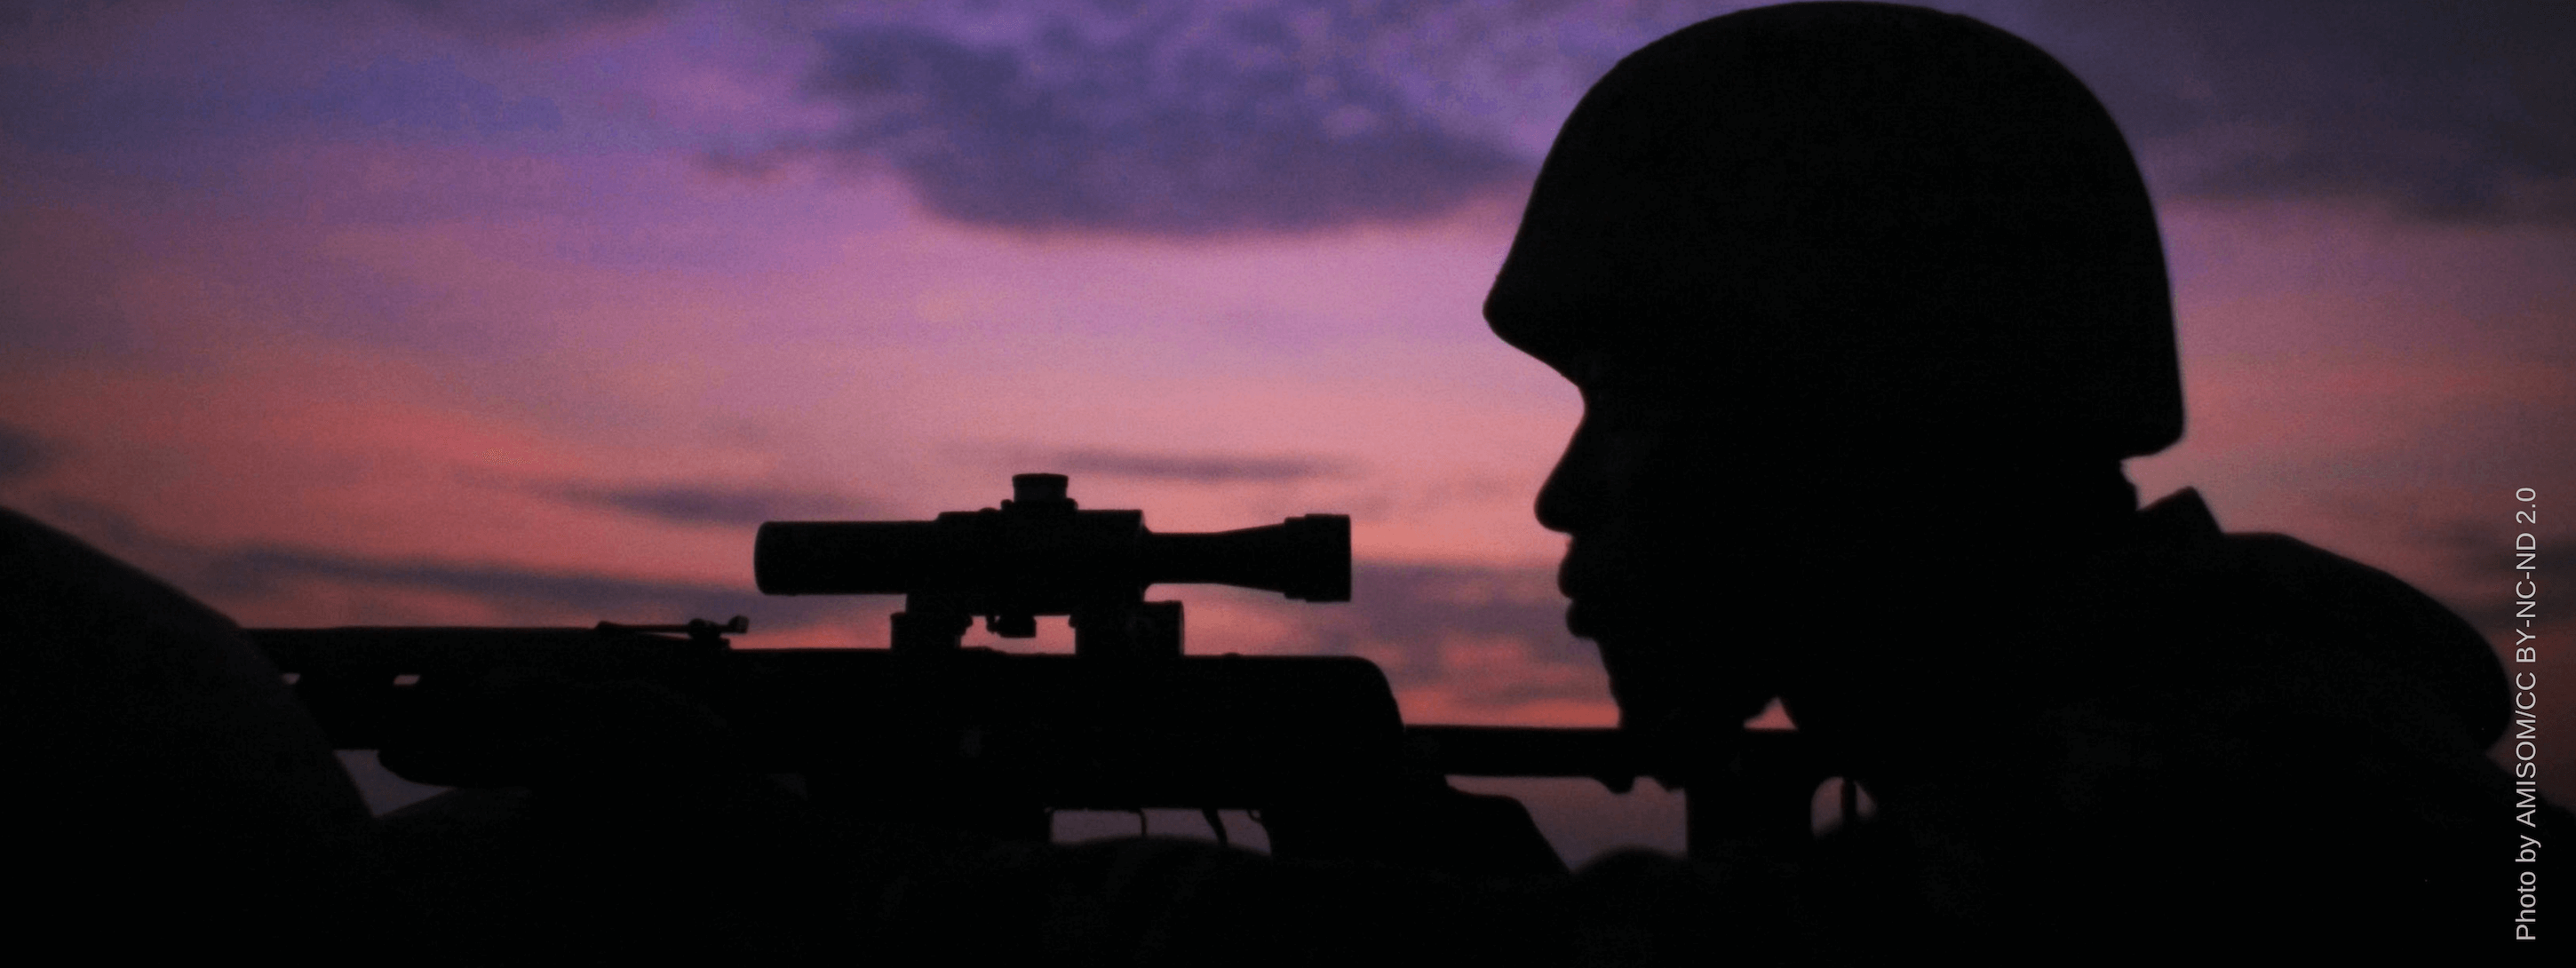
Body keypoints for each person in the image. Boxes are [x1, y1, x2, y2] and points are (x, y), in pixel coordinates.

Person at [1483, 0, 2562, 957]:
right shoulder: (2244, 731)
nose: (1562, 495)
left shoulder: (2232, 813)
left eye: (1629, 394)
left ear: (1867, 401)